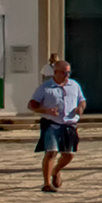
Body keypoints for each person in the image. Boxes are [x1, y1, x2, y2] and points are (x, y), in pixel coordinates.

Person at [29, 59, 85, 193]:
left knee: (69, 154)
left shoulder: (74, 85)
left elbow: (82, 100)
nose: (67, 76)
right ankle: (47, 183)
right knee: (51, 152)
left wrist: (80, 108)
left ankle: (56, 170)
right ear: (56, 72)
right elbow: (32, 104)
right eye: (64, 73)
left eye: (69, 72)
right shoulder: (45, 87)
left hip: (69, 124)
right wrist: (45, 110)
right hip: (51, 124)